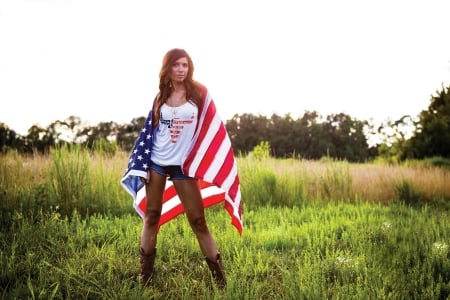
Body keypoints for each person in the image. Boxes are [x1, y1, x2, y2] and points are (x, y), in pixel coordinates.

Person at [120, 48, 243, 289]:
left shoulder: (199, 94)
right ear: (168, 68)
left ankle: (220, 280)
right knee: (151, 215)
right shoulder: (161, 96)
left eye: (184, 65)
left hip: (183, 165)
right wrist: (143, 165)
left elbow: (212, 128)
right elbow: (152, 131)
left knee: (198, 220)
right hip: (156, 161)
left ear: (190, 68)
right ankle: (144, 277)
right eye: (176, 65)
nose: (180, 69)